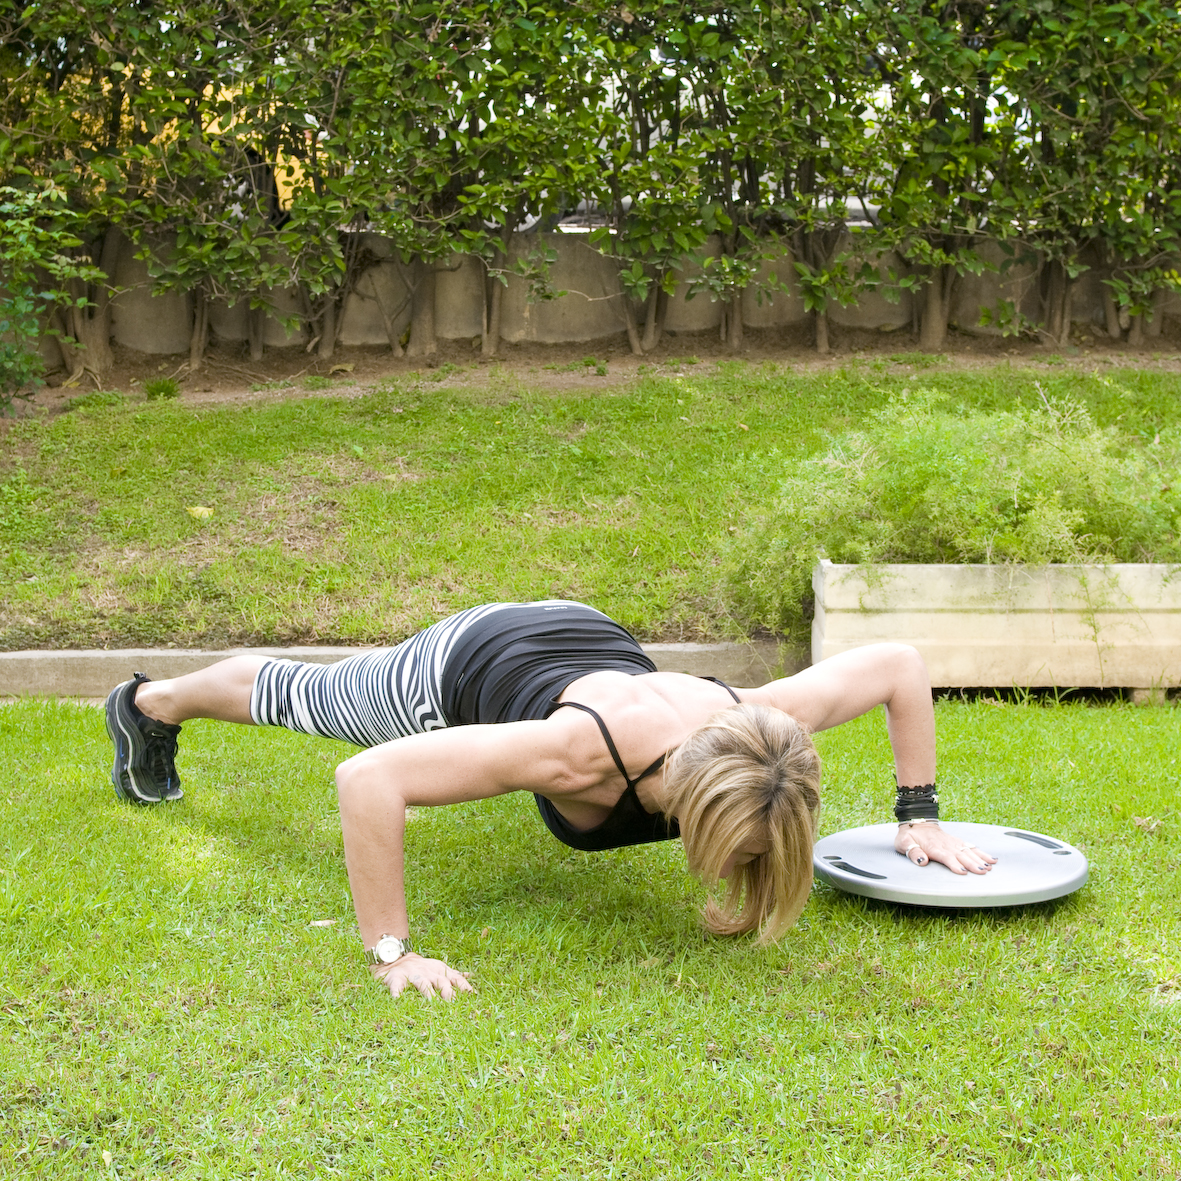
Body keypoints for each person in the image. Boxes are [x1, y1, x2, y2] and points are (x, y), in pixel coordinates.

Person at [103, 599, 995, 1001]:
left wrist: (917, 809)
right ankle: (151, 703)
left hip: (590, 634)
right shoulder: (574, 756)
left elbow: (896, 665)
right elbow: (368, 781)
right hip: (462, 662)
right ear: (669, 800)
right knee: (308, 699)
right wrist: (391, 951)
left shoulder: (766, 723)